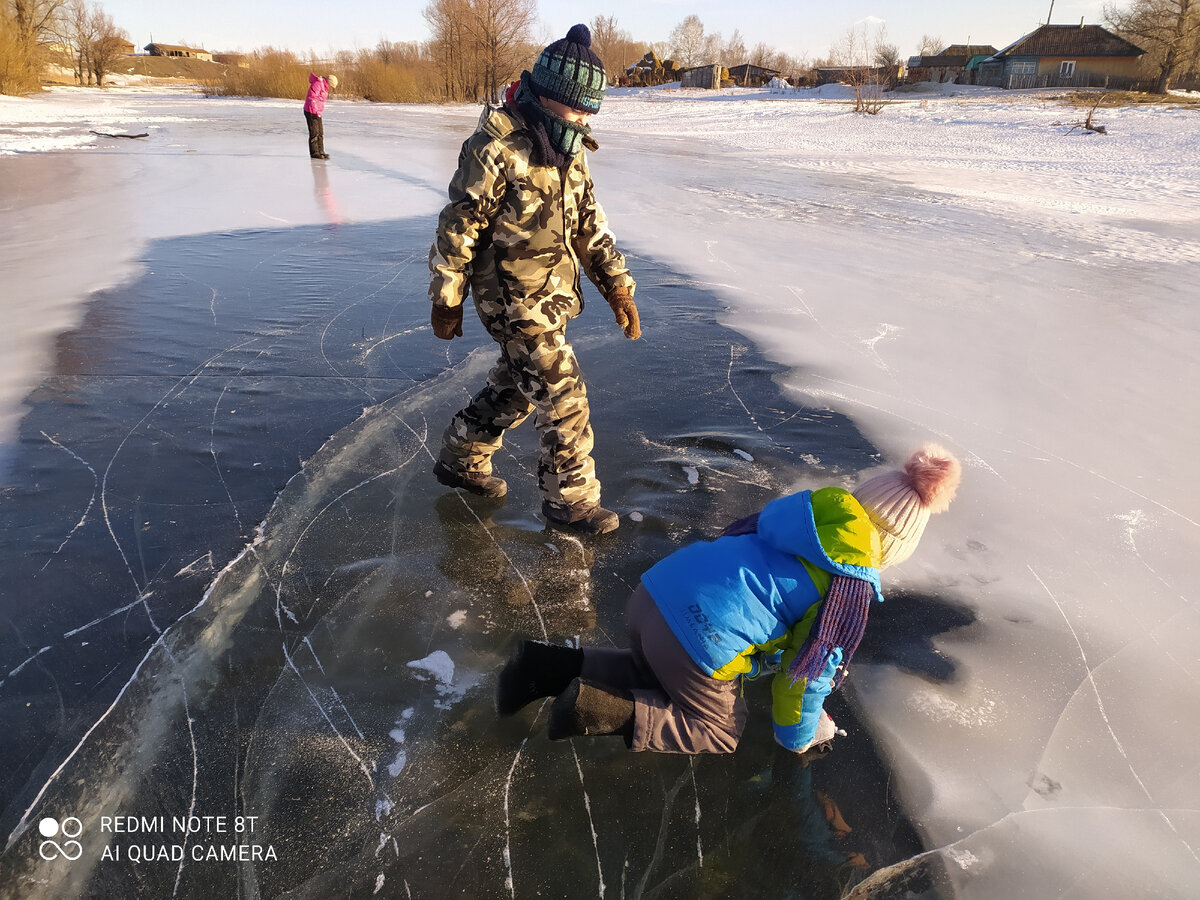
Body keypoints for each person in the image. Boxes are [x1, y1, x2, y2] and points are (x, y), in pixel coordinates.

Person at [495, 445, 962, 754]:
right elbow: (804, 681)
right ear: (891, 548)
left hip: (653, 594)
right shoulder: (845, 591)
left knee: (655, 671)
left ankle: (543, 668)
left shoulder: (788, 523)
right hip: (700, 632)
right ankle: (592, 709)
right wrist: (801, 737)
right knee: (718, 729)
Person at [427, 24, 639, 535]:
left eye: (593, 110)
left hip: (553, 294)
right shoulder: (496, 147)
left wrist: (617, 285)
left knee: (517, 388)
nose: (586, 119)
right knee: (563, 395)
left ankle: (462, 457)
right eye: (579, 107)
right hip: (511, 298)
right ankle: (571, 503)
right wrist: (447, 296)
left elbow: (590, 222)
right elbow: (461, 223)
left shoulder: (570, 148)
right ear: (549, 96)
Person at [304, 73, 337, 159]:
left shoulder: (324, 86)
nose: (332, 87)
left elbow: (320, 100)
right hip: (311, 111)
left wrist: (318, 111)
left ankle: (321, 151)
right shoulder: (318, 84)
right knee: (314, 132)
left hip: (317, 111)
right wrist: (314, 111)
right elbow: (312, 98)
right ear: (329, 82)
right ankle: (314, 153)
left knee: (320, 132)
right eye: (332, 85)